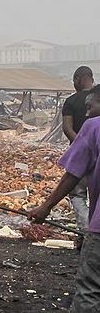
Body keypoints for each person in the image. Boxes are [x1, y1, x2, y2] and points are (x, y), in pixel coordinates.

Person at [27, 84, 100, 313]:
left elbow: (73, 173)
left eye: (90, 106)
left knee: (90, 285)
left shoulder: (94, 127)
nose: (87, 112)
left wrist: (45, 208)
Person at [62, 66, 95, 236]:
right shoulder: (98, 98)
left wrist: (82, 147)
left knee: (77, 195)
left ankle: (86, 233)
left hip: (79, 158)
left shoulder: (71, 101)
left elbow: (67, 129)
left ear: (78, 79)